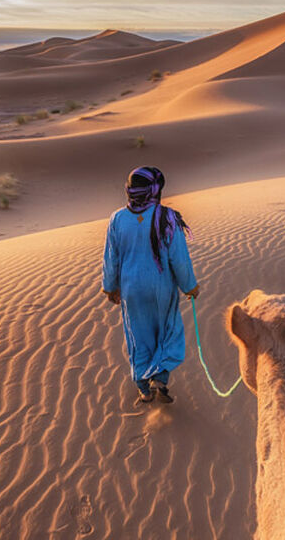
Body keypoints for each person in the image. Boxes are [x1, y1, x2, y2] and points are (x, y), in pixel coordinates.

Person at [102, 166, 199, 404]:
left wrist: (109, 286)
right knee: (168, 332)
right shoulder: (168, 217)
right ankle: (160, 378)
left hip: (130, 289)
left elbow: (111, 258)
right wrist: (190, 286)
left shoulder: (117, 218)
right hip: (161, 288)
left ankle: (144, 388)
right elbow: (179, 257)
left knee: (139, 336)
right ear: (157, 189)